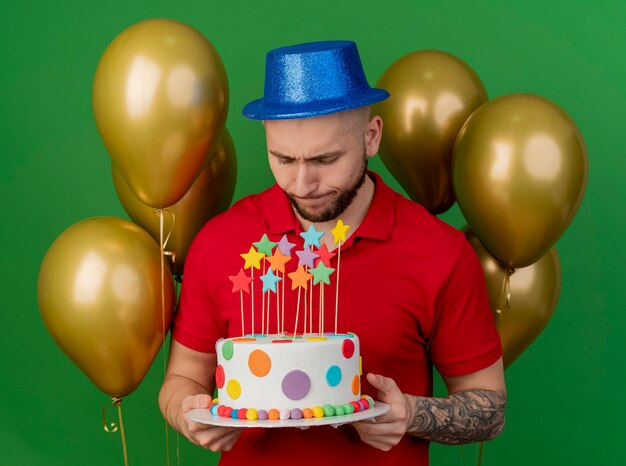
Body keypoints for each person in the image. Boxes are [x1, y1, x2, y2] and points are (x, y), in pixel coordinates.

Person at [159, 40, 505, 465]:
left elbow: (490, 407)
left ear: (371, 136)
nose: (302, 184)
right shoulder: (220, 241)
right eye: (283, 158)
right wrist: (187, 413)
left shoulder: (439, 251)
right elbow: (181, 378)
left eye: (326, 159)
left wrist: (413, 413)